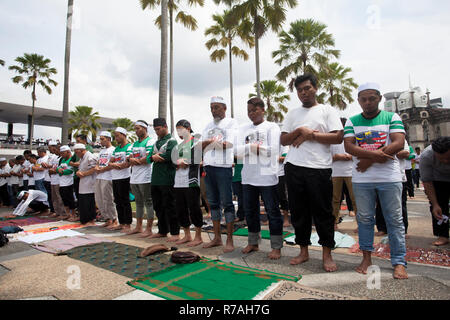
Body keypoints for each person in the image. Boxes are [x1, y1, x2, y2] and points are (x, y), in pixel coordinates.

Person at [344, 82, 408, 280]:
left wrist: (367, 159)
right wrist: (375, 156)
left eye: (372, 98)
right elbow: (348, 146)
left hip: (389, 177)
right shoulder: (352, 120)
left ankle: (398, 262)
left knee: (394, 221)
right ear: (358, 101)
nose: (368, 102)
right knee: (364, 219)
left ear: (380, 98)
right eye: (363, 99)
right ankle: (366, 258)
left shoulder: (391, 117)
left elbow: (398, 142)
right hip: (362, 180)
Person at [281, 73, 343, 272]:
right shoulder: (292, 114)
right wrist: (300, 130)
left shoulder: (327, 110)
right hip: (294, 167)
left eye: (307, 88)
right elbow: (284, 140)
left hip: (319, 168)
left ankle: (327, 254)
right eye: (299, 90)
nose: (303, 92)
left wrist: (311, 135)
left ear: (315, 88)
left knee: (323, 212)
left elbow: (337, 137)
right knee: (299, 212)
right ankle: (303, 251)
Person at [237, 97, 283, 260]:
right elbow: (236, 152)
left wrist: (250, 149)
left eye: (255, 110)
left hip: (267, 176)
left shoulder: (271, 127)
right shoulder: (243, 128)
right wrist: (251, 147)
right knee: (250, 210)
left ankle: (276, 246)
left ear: (263, 110)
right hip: (248, 176)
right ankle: (253, 242)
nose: (251, 113)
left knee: (272, 211)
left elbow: (273, 150)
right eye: (249, 111)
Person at [201, 96, 238, 253]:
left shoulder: (231, 123)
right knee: (213, 203)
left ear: (224, 108)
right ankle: (217, 238)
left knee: (227, 204)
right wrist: (211, 143)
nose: (213, 110)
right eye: (211, 107)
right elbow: (200, 145)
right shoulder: (208, 125)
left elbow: (228, 144)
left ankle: (229, 239)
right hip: (209, 166)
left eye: (216, 107)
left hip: (223, 167)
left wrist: (209, 143)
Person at [147, 118, 179, 241]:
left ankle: (175, 232)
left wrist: (157, 157)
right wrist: (154, 157)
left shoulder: (171, 141)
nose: (157, 132)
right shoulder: (156, 143)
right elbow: (149, 157)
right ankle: (162, 230)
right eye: (155, 130)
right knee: (158, 206)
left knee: (170, 206)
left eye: (158, 129)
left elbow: (171, 156)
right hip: (155, 179)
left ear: (165, 127)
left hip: (167, 179)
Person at [173, 119, 204, 246]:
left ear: (188, 128)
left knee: (194, 207)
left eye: (181, 129)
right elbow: (174, 161)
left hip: (191, 180)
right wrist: (176, 162)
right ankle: (187, 235)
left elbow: (200, 160)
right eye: (177, 130)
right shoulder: (178, 146)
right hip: (178, 181)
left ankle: (198, 236)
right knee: (180, 208)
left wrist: (186, 161)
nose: (179, 132)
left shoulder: (196, 142)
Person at [127, 121, 155, 236]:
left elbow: (148, 157)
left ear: (144, 128)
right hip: (134, 177)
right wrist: (132, 160)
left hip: (146, 176)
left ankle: (148, 228)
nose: (136, 131)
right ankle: (138, 227)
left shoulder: (150, 141)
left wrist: (135, 161)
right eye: (135, 129)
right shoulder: (134, 144)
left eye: (138, 128)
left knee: (148, 202)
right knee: (138, 202)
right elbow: (129, 156)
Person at [420, 137, 450, 246]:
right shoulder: (426, 156)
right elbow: (427, 182)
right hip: (438, 179)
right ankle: (443, 235)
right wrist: (435, 204)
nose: (446, 161)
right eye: (441, 159)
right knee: (439, 206)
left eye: (448, 158)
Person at [331, 118, 357, 230]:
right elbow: (327, 156)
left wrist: (350, 156)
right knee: (335, 199)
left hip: (351, 171)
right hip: (335, 172)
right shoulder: (332, 139)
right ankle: (334, 221)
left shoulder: (352, 137)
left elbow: (359, 152)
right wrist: (337, 157)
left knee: (355, 198)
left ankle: (360, 223)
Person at [109, 127, 133, 232]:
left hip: (124, 177)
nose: (116, 138)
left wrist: (116, 165)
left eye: (117, 135)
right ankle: (121, 222)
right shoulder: (116, 148)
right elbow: (110, 162)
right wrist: (116, 165)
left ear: (123, 135)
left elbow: (127, 164)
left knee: (125, 200)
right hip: (115, 177)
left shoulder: (129, 147)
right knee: (117, 200)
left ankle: (128, 223)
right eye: (115, 136)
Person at [94, 131, 119, 229]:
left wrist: (102, 169)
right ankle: (107, 219)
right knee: (99, 199)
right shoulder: (101, 151)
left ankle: (114, 219)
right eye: (100, 139)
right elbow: (98, 162)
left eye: (102, 139)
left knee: (108, 199)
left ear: (108, 139)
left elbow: (111, 164)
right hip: (99, 177)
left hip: (108, 177)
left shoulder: (113, 150)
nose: (100, 141)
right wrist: (97, 167)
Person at [74, 143, 97, 227]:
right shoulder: (82, 158)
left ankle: (90, 220)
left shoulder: (90, 156)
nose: (76, 154)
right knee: (83, 201)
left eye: (77, 152)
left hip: (90, 182)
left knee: (89, 201)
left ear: (82, 150)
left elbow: (94, 168)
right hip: (83, 182)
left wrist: (83, 174)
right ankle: (84, 220)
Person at [57, 146, 76, 220]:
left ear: (68, 152)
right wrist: (59, 170)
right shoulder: (63, 160)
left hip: (69, 182)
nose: (62, 155)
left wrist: (62, 171)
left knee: (70, 199)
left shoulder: (71, 160)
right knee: (64, 199)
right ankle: (68, 214)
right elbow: (58, 168)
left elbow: (70, 170)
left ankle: (73, 214)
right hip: (62, 182)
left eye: (63, 153)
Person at [48, 144, 66, 219]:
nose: (54, 151)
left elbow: (61, 169)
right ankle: (57, 211)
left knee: (59, 197)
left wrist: (54, 170)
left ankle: (63, 213)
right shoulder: (55, 158)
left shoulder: (62, 158)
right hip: (53, 180)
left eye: (56, 150)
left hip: (59, 180)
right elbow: (52, 168)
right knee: (54, 197)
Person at [277, 145, 290, 227]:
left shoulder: (282, 144)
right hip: (267, 173)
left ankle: (286, 218)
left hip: (280, 173)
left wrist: (271, 159)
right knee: (269, 198)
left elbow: (285, 158)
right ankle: (269, 218)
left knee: (282, 197)